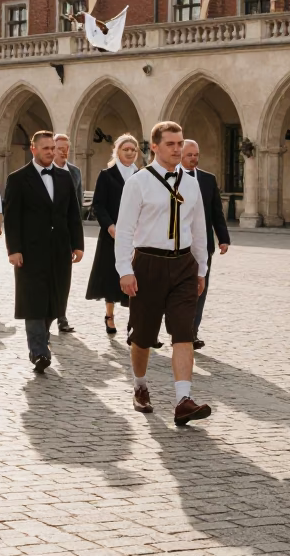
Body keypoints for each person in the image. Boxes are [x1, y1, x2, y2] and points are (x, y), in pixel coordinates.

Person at [115, 121, 213, 426]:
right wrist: (124, 270)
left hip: (184, 265)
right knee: (143, 336)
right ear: (154, 147)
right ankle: (140, 385)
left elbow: (199, 229)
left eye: (180, 143)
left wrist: (201, 269)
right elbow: (125, 230)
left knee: (184, 331)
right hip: (148, 264)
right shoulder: (138, 183)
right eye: (170, 143)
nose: (177, 149)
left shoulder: (192, 183)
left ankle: (183, 400)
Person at [4, 130, 85, 372]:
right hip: (30, 251)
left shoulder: (64, 177)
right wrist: (14, 249)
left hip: (60, 249)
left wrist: (78, 244)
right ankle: (38, 350)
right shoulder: (18, 179)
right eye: (47, 148)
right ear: (34, 149)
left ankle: (43, 337)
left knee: (55, 298)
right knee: (33, 300)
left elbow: (73, 213)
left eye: (53, 148)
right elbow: (11, 217)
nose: (52, 152)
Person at [85, 134, 140, 333]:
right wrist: (110, 226)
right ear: (118, 152)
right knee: (111, 277)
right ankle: (109, 315)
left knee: (136, 276)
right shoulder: (106, 175)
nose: (130, 153)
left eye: (133, 150)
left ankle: (135, 320)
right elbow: (98, 205)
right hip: (112, 235)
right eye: (126, 149)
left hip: (136, 235)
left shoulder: (142, 175)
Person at [179, 139, 231, 350]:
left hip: (203, 246)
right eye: (189, 155)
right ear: (180, 155)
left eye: (196, 154)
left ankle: (192, 332)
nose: (194, 158)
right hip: (177, 246)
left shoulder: (208, 179)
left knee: (200, 289)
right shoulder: (172, 178)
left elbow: (216, 212)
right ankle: (178, 328)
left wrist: (223, 238)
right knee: (178, 291)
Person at [50, 132, 83, 333]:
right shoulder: (44, 171)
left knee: (63, 278)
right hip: (46, 234)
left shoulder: (75, 172)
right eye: (60, 148)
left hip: (65, 234)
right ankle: (46, 315)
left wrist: (77, 241)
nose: (64, 151)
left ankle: (61, 316)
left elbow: (76, 209)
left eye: (66, 148)